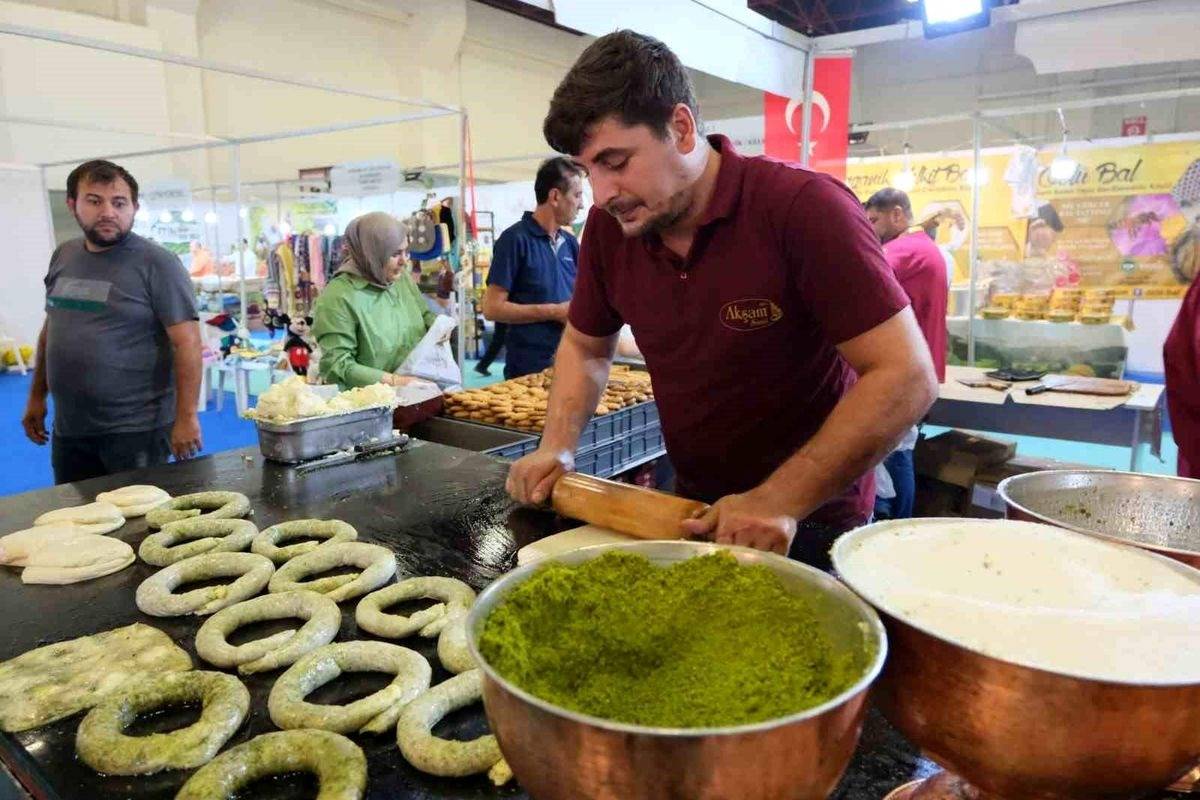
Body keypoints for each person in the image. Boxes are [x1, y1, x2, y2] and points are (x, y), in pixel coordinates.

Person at [505, 30, 937, 563]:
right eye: (588, 170)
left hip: (811, 518)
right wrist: (557, 446)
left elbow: (906, 375)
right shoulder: (608, 230)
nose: (602, 193)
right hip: (692, 507)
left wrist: (779, 500)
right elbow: (586, 346)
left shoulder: (802, 209)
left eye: (615, 163)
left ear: (681, 128)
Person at [22, 159, 203, 484]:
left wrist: (187, 417)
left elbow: (187, 341)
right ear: (72, 204)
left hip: (137, 430)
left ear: (134, 207)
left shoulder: (157, 263)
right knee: (78, 523)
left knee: (136, 527)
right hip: (71, 429)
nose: (108, 212)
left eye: (119, 203)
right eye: (94, 200)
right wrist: (37, 396)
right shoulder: (64, 256)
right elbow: (52, 331)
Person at [864, 188, 949, 520]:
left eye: (873, 220)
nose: (868, 228)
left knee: (895, 451)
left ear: (897, 214)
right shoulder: (926, 249)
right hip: (920, 365)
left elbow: (859, 276)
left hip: (903, 371)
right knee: (902, 448)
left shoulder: (904, 251)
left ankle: (893, 529)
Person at [481, 157, 585, 378]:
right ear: (555, 196)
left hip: (571, 361)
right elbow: (492, 308)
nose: (582, 204)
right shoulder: (514, 240)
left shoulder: (570, 243)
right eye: (577, 195)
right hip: (528, 370)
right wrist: (554, 311)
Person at [312, 212, 437, 389]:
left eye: (406, 252)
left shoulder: (400, 279)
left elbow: (423, 314)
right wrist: (394, 382)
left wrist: (439, 328)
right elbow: (338, 364)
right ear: (372, 254)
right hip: (368, 404)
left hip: (415, 391)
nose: (404, 261)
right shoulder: (338, 297)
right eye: (395, 254)